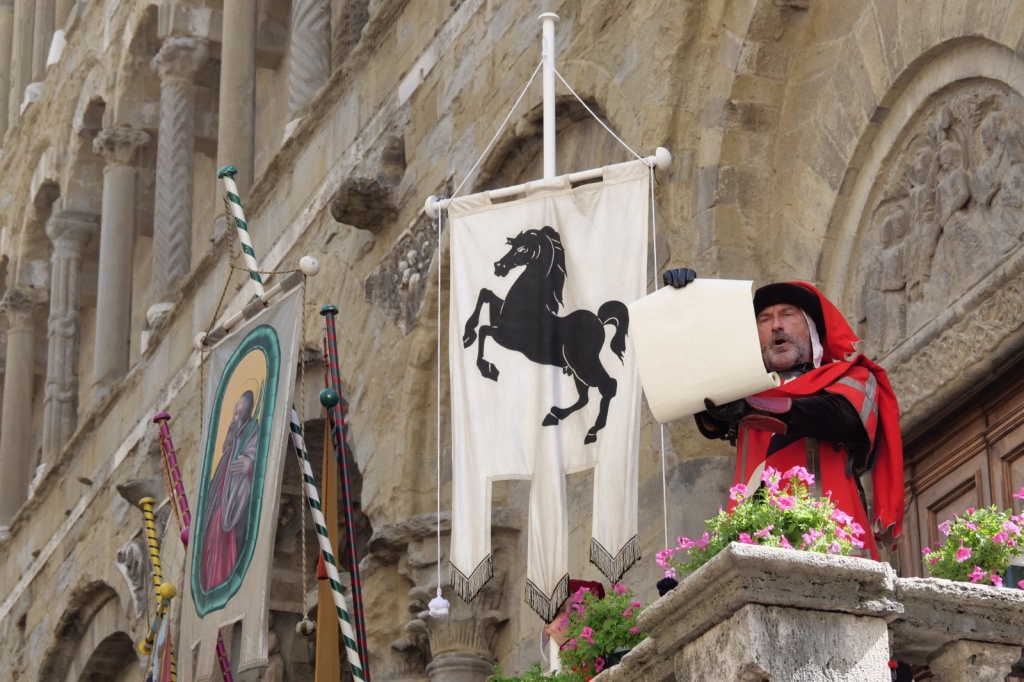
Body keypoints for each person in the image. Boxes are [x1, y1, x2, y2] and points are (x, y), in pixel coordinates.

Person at [663, 270, 903, 560]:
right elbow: (707, 405)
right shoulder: (741, 389)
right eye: (765, 319)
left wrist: (754, 408)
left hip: (834, 543)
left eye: (788, 315)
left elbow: (839, 417)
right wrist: (685, 306)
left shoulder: (852, 376)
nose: (776, 326)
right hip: (755, 545)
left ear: (811, 328)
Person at [201, 389, 260, 589]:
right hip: (217, 514)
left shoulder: (253, 434)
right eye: (233, 412)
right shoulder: (231, 447)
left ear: (248, 415)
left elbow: (259, 456)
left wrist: (250, 464)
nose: (233, 419)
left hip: (232, 510)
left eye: (238, 413)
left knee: (226, 560)